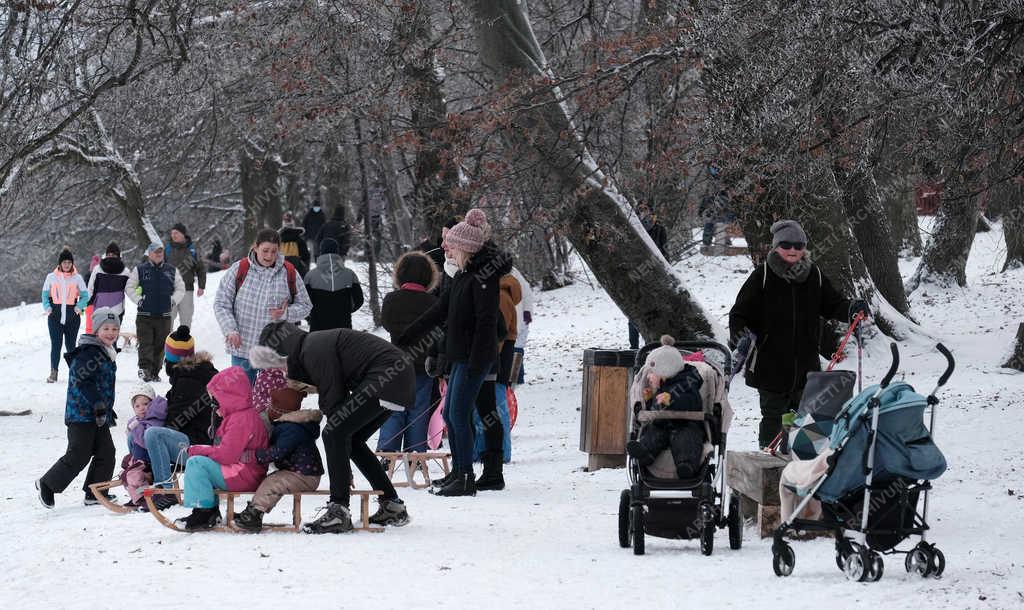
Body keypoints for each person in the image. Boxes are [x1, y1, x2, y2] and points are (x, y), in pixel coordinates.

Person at [250, 320, 414, 533]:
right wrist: (342, 457)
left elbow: (333, 399)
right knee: (351, 439)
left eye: (278, 364)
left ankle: (338, 511)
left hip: (386, 375)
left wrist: (341, 460)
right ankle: (392, 505)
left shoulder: (313, 349)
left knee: (334, 433)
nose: (281, 371)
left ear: (283, 351)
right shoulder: (311, 346)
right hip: (397, 376)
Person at [729, 219, 870, 448]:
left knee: (807, 418)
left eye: (798, 245)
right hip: (769, 366)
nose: (793, 250)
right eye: (786, 245)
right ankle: (769, 464)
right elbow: (739, 314)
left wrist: (851, 308)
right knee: (774, 417)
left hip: (806, 364)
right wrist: (742, 337)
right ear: (776, 247)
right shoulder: (762, 276)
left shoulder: (814, 275)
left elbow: (833, 304)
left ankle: (803, 464)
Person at [398, 209, 506, 497]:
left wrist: (478, 359)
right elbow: (440, 309)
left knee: (459, 414)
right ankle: (459, 472)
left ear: (466, 249)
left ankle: (466, 476)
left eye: (451, 244)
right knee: (450, 413)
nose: (445, 246)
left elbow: (486, 322)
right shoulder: (462, 275)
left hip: (475, 358)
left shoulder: (483, 278)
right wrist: (409, 335)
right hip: (460, 356)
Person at [36, 307, 121, 508]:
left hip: (98, 415)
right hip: (81, 415)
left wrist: (107, 408)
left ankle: (95, 493)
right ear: (96, 330)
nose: (111, 333)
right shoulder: (89, 352)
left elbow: (102, 384)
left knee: (106, 452)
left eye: (114, 329)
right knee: (79, 454)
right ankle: (47, 484)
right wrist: (98, 404)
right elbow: (83, 380)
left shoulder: (105, 352)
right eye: (106, 328)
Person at [213, 229, 313, 384]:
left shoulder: (289, 272)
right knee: (244, 398)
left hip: (274, 353)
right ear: (255, 247)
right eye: (265, 250)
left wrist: (285, 314)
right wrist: (230, 330)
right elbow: (221, 303)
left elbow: (306, 306)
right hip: (243, 349)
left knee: (270, 402)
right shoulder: (239, 269)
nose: (269, 256)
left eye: (274, 251)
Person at [176, 366, 269, 531]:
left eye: (215, 399)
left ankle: (205, 512)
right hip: (245, 470)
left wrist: (199, 450)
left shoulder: (241, 420)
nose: (212, 404)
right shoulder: (238, 416)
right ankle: (208, 511)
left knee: (197, 464)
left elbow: (227, 455)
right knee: (202, 462)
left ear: (229, 397)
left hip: (244, 473)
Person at [234, 390, 325, 533]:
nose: (267, 410)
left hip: (304, 475)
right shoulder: (290, 426)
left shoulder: (292, 429)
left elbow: (278, 452)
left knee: (273, 483)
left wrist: (255, 455)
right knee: (272, 480)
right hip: (301, 472)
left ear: (278, 410)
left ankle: (254, 515)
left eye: (270, 407)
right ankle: (253, 510)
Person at [377, 251, 440, 457]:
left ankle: (387, 452)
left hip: (395, 363)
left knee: (393, 409)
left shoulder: (392, 299)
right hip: (423, 364)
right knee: (419, 410)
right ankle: (416, 454)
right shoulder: (432, 302)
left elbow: (386, 323)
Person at [145, 334, 217, 511]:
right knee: (144, 434)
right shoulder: (202, 374)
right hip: (206, 444)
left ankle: (165, 491)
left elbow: (174, 423)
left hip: (200, 449)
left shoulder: (186, 382)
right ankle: (144, 479)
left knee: (152, 434)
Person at [625, 335, 706, 479]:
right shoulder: (661, 386)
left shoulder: (687, 382)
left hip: (686, 424)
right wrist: (650, 400)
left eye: (652, 374)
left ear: (665, 372)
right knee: (652, 433)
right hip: (663, 424)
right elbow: (655, 410)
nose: (648, 377)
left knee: (686, 439)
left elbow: (692, 402)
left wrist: (672, 399)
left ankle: (686, 465)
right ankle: (645, 452)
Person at [127, 242, 185, 382]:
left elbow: (180, 288)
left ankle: (155, 372)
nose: (158, 254)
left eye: (160, 251)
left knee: (160, 345)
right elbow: (129, 287)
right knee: (146, 343)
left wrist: (172, 301)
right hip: (144, 315)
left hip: (164, 316)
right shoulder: (140, 269)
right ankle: (145, 369)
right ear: (149, 254)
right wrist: (139, 300)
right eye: (155, 252)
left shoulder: (171, 270)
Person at [42, 248, 90, 383]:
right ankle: (53, 373)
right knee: (56, 345)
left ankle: (74, 373)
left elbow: (85, 296)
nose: (67, 264)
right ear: (60, 263)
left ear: (72, 263)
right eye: (64, 262)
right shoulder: (51, 277)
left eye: (69, 262)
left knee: (71, 346)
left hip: (72, 317)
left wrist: (78, 307)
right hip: (55, 316)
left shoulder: (77, 278)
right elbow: (45, 295)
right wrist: (48, 308)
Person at [628, 204, 669, 350]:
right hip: (636, 276)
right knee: (633, 316)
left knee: (653, 315)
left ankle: (651, 346)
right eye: (640, 209)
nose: (643, 212)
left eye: (646, 208)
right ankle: (634, 348)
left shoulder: (659, 229)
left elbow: (665, 253)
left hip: (654, 276)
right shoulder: (632, 227)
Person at [303, 238, 363, 331]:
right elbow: (359, 300)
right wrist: (346, 311)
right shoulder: (350, 274)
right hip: (344, 328)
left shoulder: (310, 276)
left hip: (318, 330)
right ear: (337, 252)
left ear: (321, 252)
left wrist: (314, 315)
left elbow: (304, 303)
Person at [166, 223, 206, 329]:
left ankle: (184, 342)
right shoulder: (167, 249)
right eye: (172, 233)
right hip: (170, 290)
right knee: (168, 317)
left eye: (176, 233)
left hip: (186, 289)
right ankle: (167, 342)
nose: (173, 235)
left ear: (183, 234)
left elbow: (201, 269)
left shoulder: (192, 250)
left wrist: (201, 286)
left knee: (186, 318)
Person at [86, 242, 130, 332]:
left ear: (118, 256)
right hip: (99, 309)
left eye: (113, 254)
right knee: (98, 337)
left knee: (112, 338)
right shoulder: (98, 269)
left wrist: (139, 297)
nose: (111, 256)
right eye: (109, 254)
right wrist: (87, 302)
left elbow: (130, 289)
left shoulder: (125, 271)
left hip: (117, 310)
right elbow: (91, 287)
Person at [125, 384, 167, 463]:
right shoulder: (140, 419)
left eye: (145, 404)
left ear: (152, 403)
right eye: (137, 406)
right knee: (130, 437)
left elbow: (146, 442)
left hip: (154, 457)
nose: (142, 408)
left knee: (133, 436)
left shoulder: (155, 418)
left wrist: (135, 427)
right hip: (143, 456)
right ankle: (134, 463)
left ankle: (138, 465)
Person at [509, 266, 533, 385]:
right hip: (508, 316)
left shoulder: (512, 271)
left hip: (518, 315)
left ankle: (516, 377)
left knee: (517, 347)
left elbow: (526, 290)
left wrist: (527, 310)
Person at [279, 212, 311, 277]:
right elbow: (306, 257)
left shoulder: (277, 241)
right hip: (297, 272)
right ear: (293, 223)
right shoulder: (299, 240)